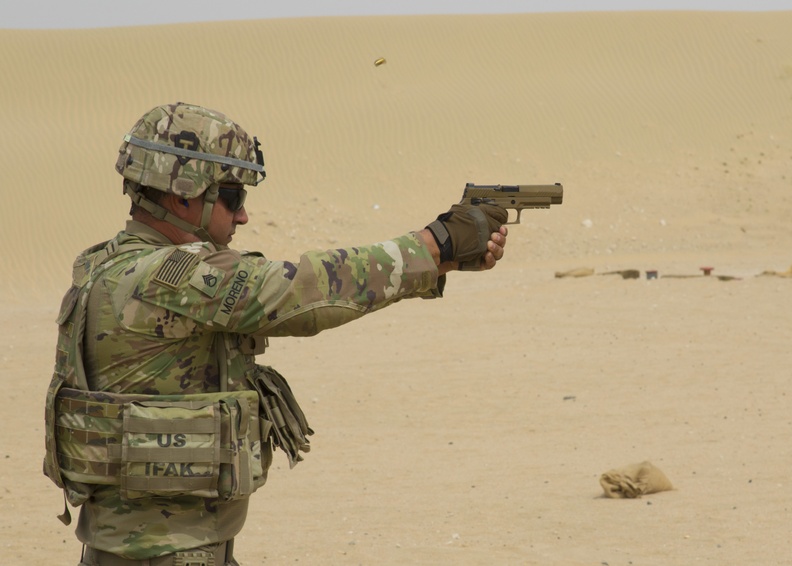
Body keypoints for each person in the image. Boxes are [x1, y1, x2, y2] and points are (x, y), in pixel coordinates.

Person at [42, 102, 508, 566]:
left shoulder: (109, 265)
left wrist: (440, 263)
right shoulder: (171, 277)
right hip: (166, 551)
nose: (242, 217)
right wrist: (432, 244)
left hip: (145, 547)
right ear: (182, 195)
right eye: (231, 198)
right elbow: (304, 293)